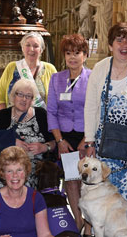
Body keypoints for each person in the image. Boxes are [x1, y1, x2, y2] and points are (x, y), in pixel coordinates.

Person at [84, 22, 127, 200]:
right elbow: (91, 106)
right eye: (119, 40)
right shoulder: (100, 68)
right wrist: (90, 141)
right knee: (103, 197)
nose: (124, 45)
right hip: (104, 143)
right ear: (110, 45)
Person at [0, 79, 56, 201]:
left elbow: (55, 142)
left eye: (28, 96)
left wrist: (44, 147)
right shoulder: (2, 115)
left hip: (31, 162)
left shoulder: (41, 114)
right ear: (13, 96)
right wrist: (12, 142)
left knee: (24, 177)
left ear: (32, 99)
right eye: (20, 94)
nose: (24, 99)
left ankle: (21, 218)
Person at [46, 34, 91, 231]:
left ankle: (90, 225)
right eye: (68, 53)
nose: (73, 57)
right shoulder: (56, 79)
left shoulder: (92, 78)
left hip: (87, 136)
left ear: (85, 55)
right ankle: (78, 222)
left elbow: (96, 110)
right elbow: (51, 111)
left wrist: (87, 140)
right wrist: (60, 140)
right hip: (65, 138)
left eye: (77, 53)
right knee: (72, 181)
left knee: (88, 181)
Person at [0, 146, 54, 237]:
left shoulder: (36, 197)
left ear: (26, 171)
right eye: (9, 171)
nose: (15, 175)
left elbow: (45, 234)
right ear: (2, 174)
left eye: (19, 170)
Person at [0, 32, 57, 109]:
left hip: (41, 120)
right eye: (28, 45)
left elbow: (57, 99)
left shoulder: (50, 69)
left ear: (41, 50)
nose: (31, 49)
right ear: (22, 48)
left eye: (36, 46)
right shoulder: (11, 67)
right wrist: (5, 117)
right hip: (12, 119)